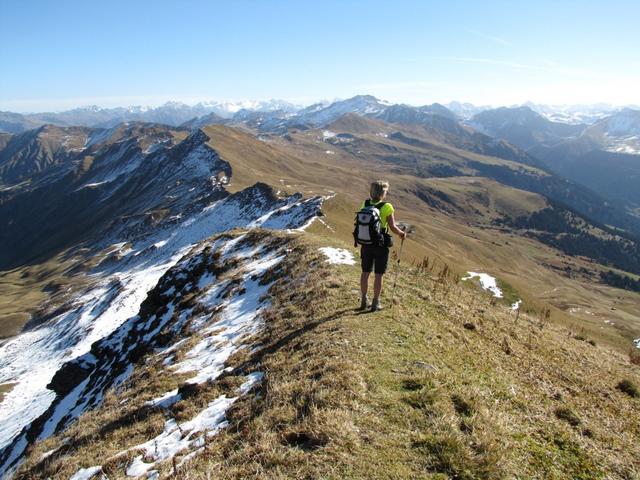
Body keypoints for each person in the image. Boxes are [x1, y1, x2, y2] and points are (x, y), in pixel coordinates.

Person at [358, 180, 406, 311]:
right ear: (383, 193)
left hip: (366, 243)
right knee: (379, 274)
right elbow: (392, 226)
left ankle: (363, 300)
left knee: (365, 272)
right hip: (380, 244)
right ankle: (375, 303)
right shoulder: (387, 207)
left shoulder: (365, 203)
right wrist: (401, 234)